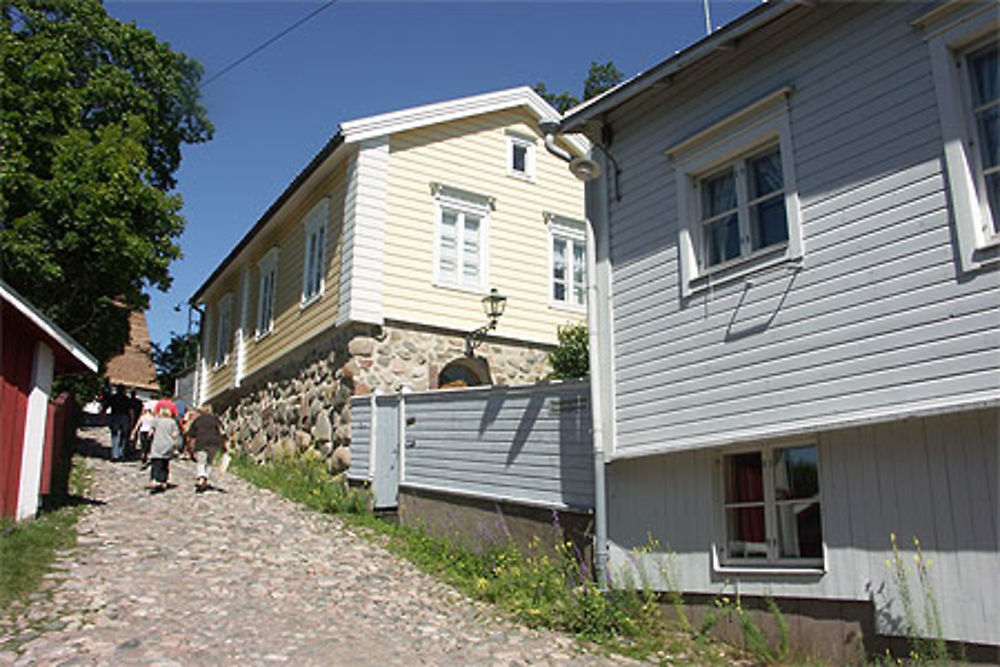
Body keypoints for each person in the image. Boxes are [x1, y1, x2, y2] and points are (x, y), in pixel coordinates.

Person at [187, 405, 226, 493]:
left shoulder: (198, 420)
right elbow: (222, 432)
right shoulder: (216, 420)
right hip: (214, 442)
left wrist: (190, 446)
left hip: (201, 442)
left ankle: (201, 478)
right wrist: (224, 445)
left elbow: (191, 435)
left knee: (201, 461)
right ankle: (205, 479)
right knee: (209, 462)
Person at [148, 405, 180, 493]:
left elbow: (151, 431)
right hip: (168, 444)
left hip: (158, 443)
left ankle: (155, 479)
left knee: (156, 462)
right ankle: (163, 480)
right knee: (165, 463)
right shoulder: (172, 422)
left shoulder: (156, 421)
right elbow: (175, 435)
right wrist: (176, 445)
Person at [105, 385, 131, 461]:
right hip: (125, 417)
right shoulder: (126, 399)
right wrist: (131, 420)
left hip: (115, 416)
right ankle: (121, 453)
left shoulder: (113, 397)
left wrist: (104, 417)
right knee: (124, 436)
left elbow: (106, 406)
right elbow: (130, 410)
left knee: (115, 435)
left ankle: (114, 455)